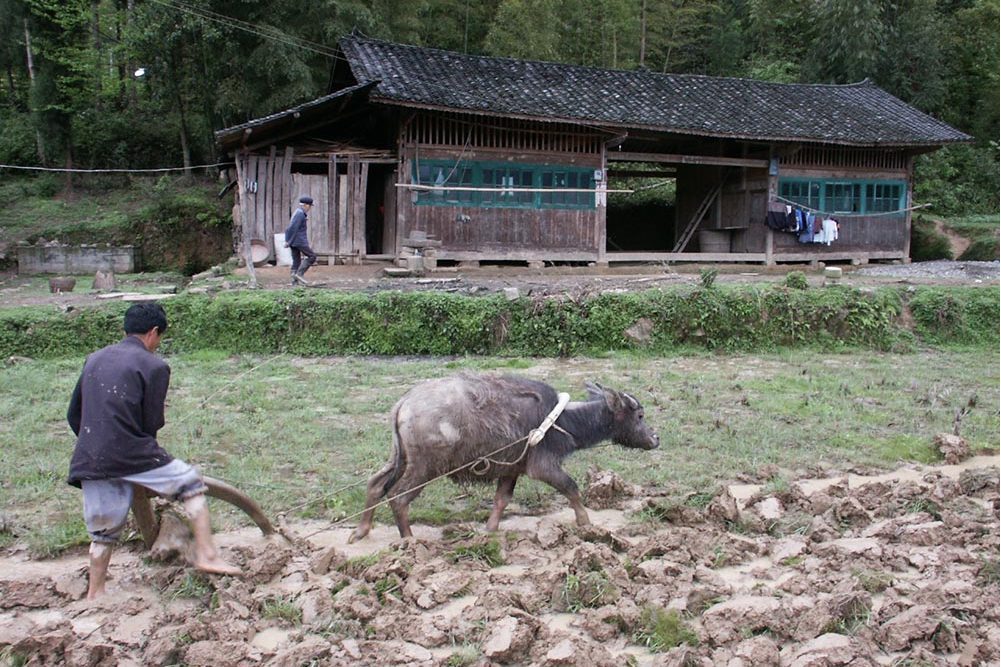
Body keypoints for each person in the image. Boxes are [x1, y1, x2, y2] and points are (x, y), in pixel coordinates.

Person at [67, 302, 240, 599]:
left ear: (125, 329)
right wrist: (142, 461)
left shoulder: (94, 359)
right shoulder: (154, 366)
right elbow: (151, 422)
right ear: (153, 333)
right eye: (159, 338)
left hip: (90, 455)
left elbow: (74, 414)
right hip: (132, 450)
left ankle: (95, 594)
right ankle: (208, 555)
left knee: (102, 532)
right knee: (190, 482)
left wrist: (97, 446)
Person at [284, 195, 317, 286]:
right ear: (306, 205)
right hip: (299, 241)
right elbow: (292, 228)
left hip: (294, 241)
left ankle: (294, 283)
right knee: (312, 256)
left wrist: (288, 241)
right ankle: (299, 274)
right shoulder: (300, 214)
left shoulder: (297, 212)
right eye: (310, 206)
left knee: (296, 261)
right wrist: (288, 241)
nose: (310, 208)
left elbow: (290, 228)